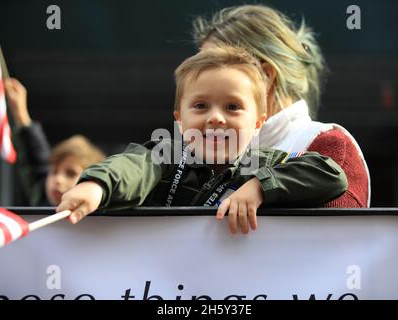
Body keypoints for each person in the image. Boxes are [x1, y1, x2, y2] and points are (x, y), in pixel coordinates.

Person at [56, 46, 348, 234]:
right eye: (200, 106)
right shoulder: (165, 155)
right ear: (180, 121)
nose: (216, 118)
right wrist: (97, 186)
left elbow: (332, 175)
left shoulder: (266, 162)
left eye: (232, 107)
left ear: (258, 122)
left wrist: (260, 186)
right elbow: (131, 166)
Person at [192, 4, 370, 207]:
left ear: (265, 76)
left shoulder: (330, 144)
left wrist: (263, 186)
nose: (200, 83)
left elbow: (338, 236)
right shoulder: (206, 155)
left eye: (214, 69)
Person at [4, 78, 106, 206]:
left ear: (93, 183)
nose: (58, 180)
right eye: (54, 171)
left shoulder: (103, 220)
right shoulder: (42, 195)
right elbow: (35, 156)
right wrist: (20, 113)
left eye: (71, 173)